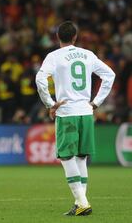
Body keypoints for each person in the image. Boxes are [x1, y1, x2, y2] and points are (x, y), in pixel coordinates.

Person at [35, 21, 115, 216]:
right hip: (87, 112)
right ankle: (80, 203)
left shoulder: (54, 56)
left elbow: (40, 79)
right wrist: (96, 102)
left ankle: (82, 201)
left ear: (57, 37)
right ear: (75, 37)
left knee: (66, 157)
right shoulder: (88, 54)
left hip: (67, 113)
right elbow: (110, 75)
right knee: (81, 158)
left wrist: (49, 103)